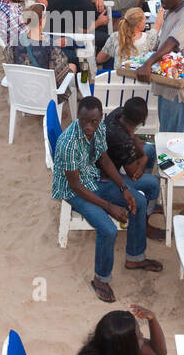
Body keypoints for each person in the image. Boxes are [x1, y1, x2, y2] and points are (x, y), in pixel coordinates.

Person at [52, 96, 161, 302]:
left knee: (138, 200)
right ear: (78, 117)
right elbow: (75, 185)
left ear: (100, 118)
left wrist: (123, 187)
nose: (88, 126)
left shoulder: (100, 128)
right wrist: (109, 206)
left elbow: (104, 158)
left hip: (93, 177)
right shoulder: (69, 143)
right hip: (73, 189)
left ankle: (135, 257)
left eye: (93, 121)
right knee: (108, 230)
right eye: (83, 120)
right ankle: (100, 279)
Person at [135, 0, 184, 133]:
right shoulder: (171, 11)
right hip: (168, 82)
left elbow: (171, 42)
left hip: (179, 86)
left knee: (175, 131)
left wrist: (148, 63)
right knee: (168, 128)